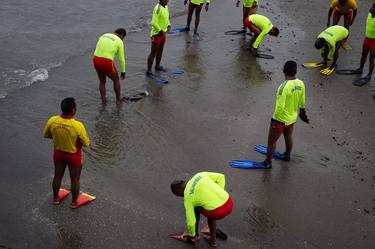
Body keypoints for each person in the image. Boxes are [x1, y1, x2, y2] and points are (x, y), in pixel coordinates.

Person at [43, 98, 90, 208]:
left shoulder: (52, 120)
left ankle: (55, 198)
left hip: (58, 154)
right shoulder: (77, 125)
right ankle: (74, 202)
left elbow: (47, 135)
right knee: (75, 179)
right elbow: (86, 143)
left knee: (57, 176)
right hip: (73, 156)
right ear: (73, 110)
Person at [261, 61, 309, 168]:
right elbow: (302, 101)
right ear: (295, 71)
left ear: (284, 72)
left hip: (280, 120)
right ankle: (287, 155)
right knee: (288, 136)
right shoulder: (301, 83)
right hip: (292, 118)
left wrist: (274, 120)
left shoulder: (283, 87)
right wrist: (302, 112)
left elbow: (280, 107)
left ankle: (267, 162)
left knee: (272, 141)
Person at [171, 172, 233, 248]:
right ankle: (210, 233)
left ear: (178, 191)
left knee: (195, 208)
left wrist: (191, 235)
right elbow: (221, 177)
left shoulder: (188, 197)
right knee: (209, 205)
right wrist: (219, 193)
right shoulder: (199, 175)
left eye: (177, 195)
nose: (178, 196)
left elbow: (191, 221)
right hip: (229, 202)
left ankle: (205, 239)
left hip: (218, 212)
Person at [93, 28, 127, 104]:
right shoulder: (120, 41)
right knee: (116, 79)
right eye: (123, 38)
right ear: (122, 35)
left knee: (102, 81)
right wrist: (123, 71)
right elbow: (122, 59)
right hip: (106, 61)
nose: (123, 39)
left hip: (96, 59)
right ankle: (118, 100)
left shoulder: (103, 35)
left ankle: (103, 100)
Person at [351, 3, 375, 86]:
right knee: (363, 54)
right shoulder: (369, 14)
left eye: (373, 8)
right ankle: (360, 68)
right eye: (372, 7)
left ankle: (369, 75)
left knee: (371, 58)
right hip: (367, 39)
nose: (371, 9)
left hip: (374, 41)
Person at [147, 0, 171, 76]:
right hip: (156, 34)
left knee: (160, 50)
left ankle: (157, 66)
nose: (168, 1)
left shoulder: (166, 7)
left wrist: (169, 25)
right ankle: (149, 70)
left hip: (163, 33)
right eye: (167, 0)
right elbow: (154, 22)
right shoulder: (158, 8)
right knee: (154, 52)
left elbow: (167, 18)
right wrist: (160, 31)